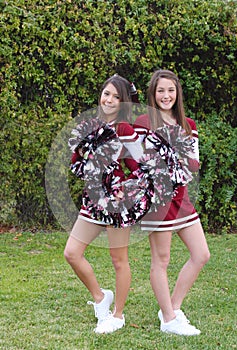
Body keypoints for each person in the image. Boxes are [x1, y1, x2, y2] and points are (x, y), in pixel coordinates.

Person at [64, 75, 144, 334]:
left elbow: (141, 166)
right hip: (93, 200)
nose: (108, 100)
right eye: (106, 94)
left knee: (119, 260)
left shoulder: (125, 129)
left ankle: (118, 315)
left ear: (123, 103)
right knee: (72, 253)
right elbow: (77, 157)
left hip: (118, 203)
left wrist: (126, 189)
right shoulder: (90, 125)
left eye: (116, 97)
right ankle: (101, 298)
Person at [134, 69, 210, 336]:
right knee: (161, 260)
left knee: (201, 254)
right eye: (160, 91)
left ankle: (172, 309)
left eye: (170, 90)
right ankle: (168, 319)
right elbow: (135, 161)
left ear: (177, 93)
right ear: (153, 95)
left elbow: (193, 164)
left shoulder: (188, 124)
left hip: (182, 199)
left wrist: (179, 156)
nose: (166, 96)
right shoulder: (143, 122)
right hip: (158, 201)